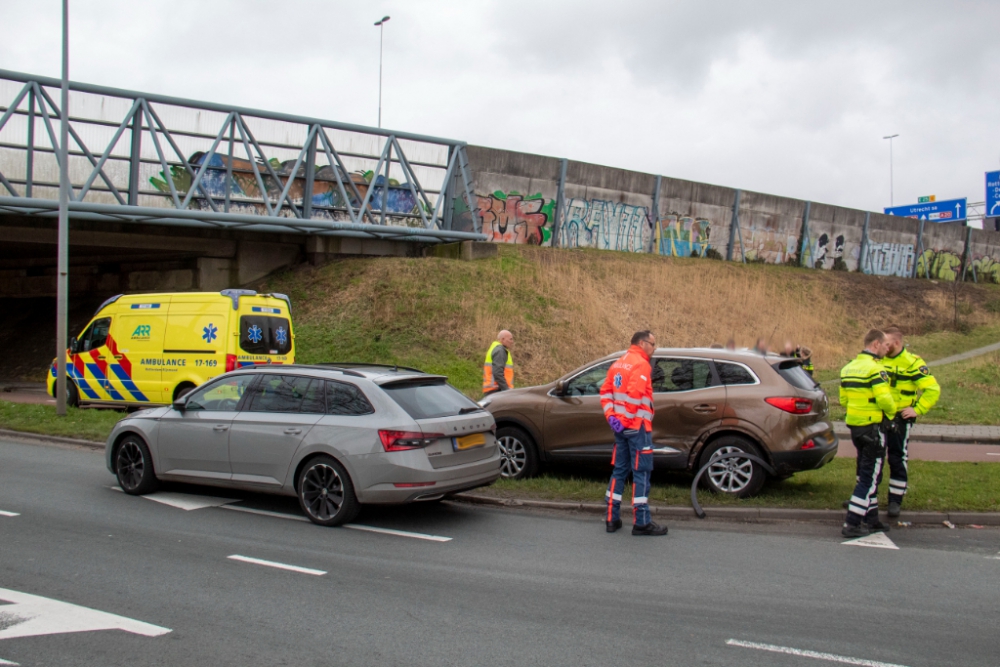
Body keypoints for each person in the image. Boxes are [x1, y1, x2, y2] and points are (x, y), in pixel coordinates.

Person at [600, 331, 668, 536]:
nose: (654, 348)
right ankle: (641, 521)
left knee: (619, 470)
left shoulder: (618, 363)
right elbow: (635, 397)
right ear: (641, 343)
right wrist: (625, 421)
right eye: (652, 344)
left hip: (620, 429)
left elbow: (605, 392)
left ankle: (611, 517)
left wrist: (613, 419)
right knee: (642, 473)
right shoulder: (641, 364)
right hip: (637, 427)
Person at [839, 329, 897, 538]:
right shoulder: (875, 370)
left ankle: (872, 520)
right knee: (869, 479)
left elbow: (844, 400)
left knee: (870, 473)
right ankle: (852, 523)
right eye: (884, 345)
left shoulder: (848, 369)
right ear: (875, 345)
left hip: (856, 428)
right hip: (874, 428)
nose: (886, 348)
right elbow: (884, 399)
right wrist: (893, 413)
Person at [880, 326, 940, 518]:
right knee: (872, 457)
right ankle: (865, 498)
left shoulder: (912, 363)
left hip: (899, 418)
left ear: (896, 343)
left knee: (897, 458)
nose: (882, 346)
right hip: (879, 416)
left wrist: (917, 409)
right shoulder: (878, 359)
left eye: (886, 343)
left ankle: (895, 500)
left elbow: (932, 389)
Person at [482, 330, 514, 396]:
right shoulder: (500, 351)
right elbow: (497, 372)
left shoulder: (495, 348)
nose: (512, 342)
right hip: (497, 390)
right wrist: (506, 390)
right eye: (510, 339)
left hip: (493, 389)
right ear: (503, 339)